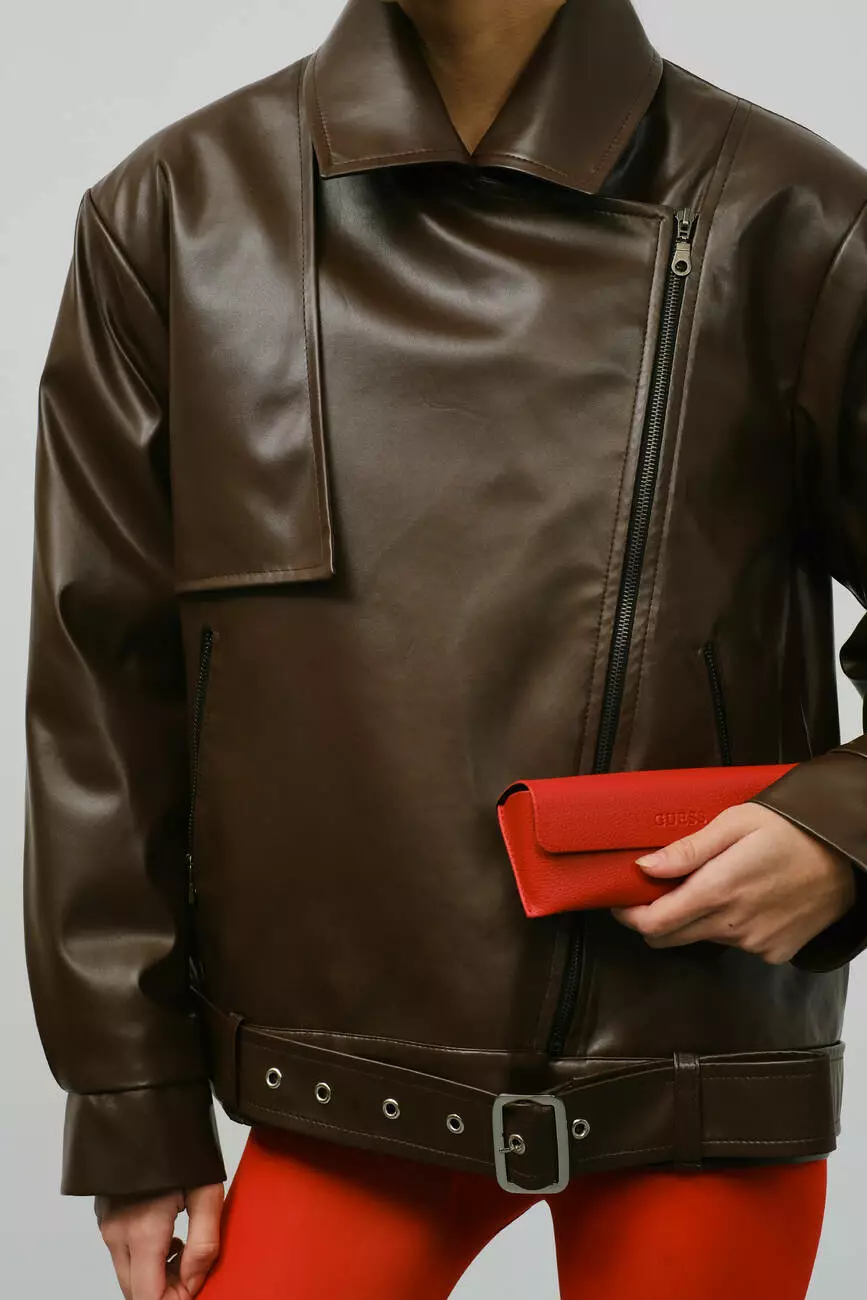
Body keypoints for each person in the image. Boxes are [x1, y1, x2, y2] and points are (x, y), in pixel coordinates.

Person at [22, 0, 867, 1296]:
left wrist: (843, 832)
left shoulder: (796, 216)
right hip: (336, 1078)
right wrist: (134, 1109)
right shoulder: (175, 215)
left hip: (698, 1062)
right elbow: (101, 696)